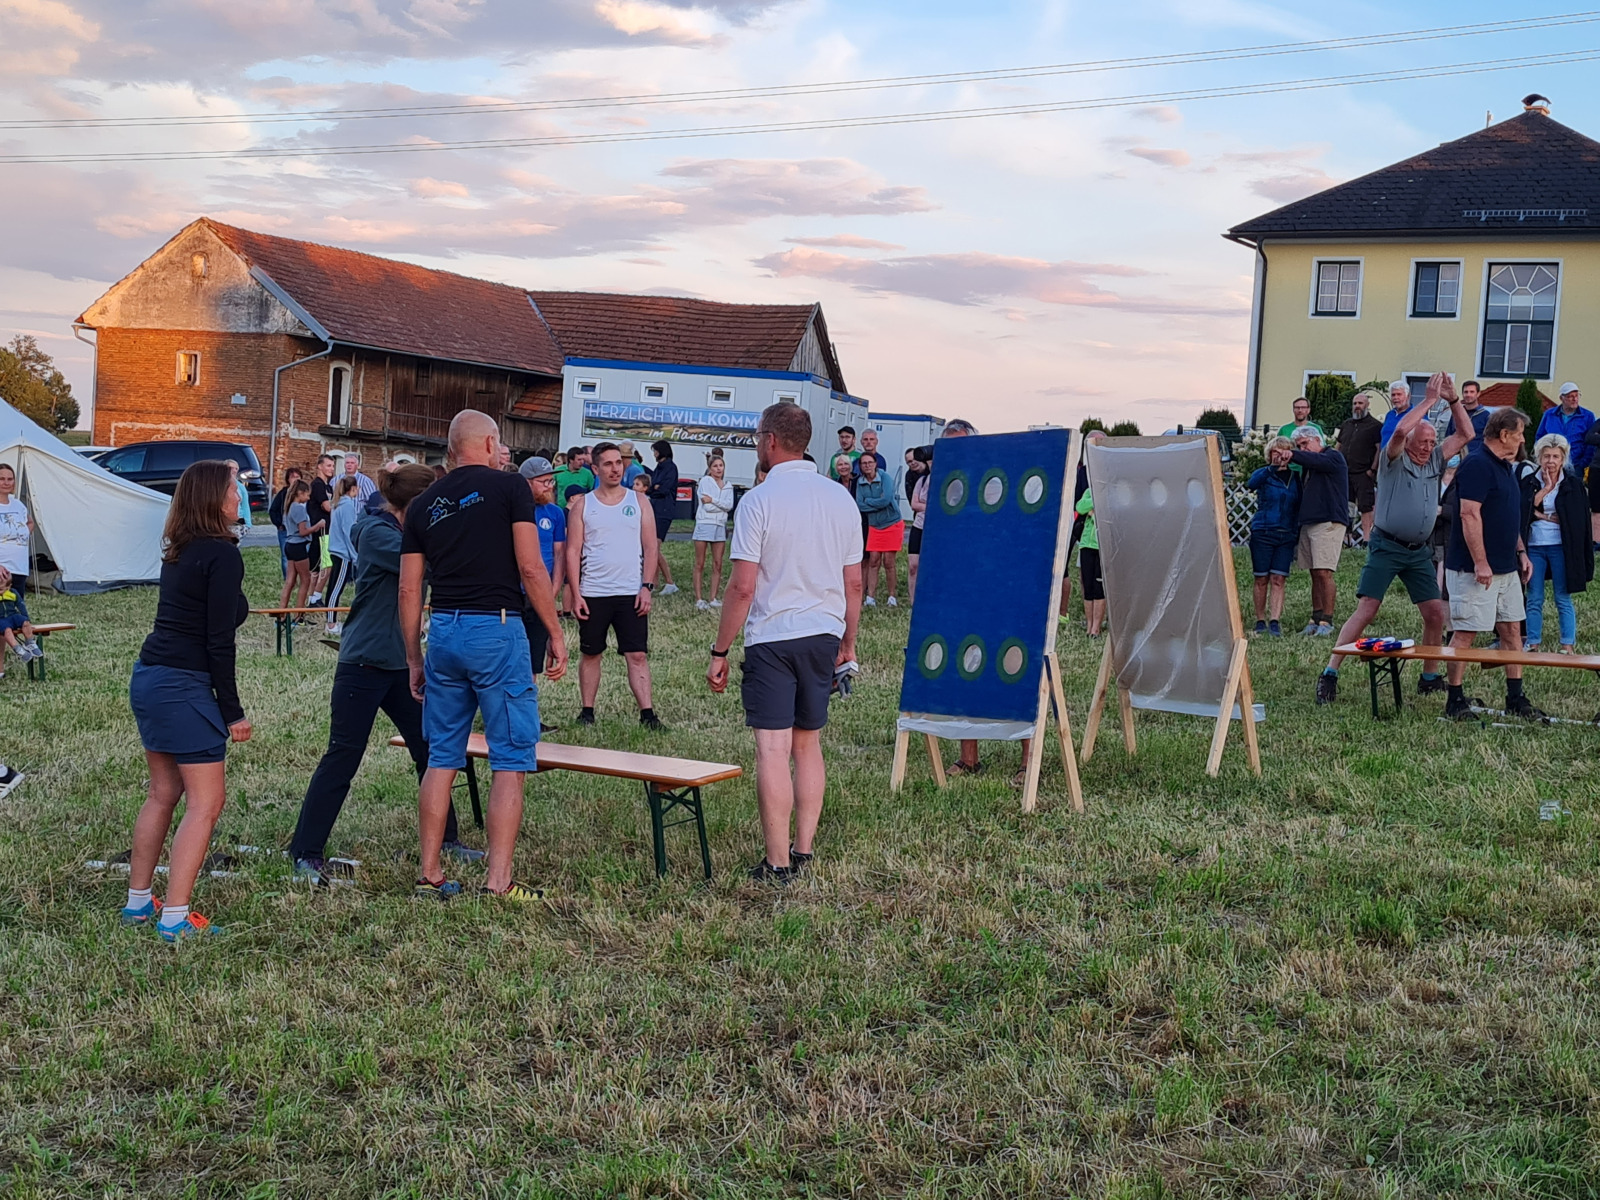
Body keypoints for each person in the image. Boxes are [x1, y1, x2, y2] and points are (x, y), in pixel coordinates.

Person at [400, 410, 568, 901]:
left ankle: (430, 873)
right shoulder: (510, 487)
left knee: (442, 756)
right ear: (491, 443)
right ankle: (498, 881)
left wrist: (414, 658)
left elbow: (408, 589)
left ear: (453, 449)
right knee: (510, 758)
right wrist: (555, 631)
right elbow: (531, 568)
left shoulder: (423, 504)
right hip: (496, 628)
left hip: (444, 630)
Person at [289, 465, 481, 885]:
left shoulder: (408, 531)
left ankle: (446, 840)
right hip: (363, 663)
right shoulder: (377, 534)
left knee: (431, 752)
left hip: (401, 665)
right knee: (343, 757)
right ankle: (305, 852)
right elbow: (426, 566)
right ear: (417, 503)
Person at [707, 402, 862, 882]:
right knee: (807, 746)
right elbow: (854, 583)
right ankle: (804, 849)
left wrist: (719, 650)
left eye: (759, 437)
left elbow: (742, 587)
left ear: (770, 440)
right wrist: (848, 641)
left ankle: (776, 862)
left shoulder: (758, 501)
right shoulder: (841, 498)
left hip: (773, 636)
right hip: (824, 631)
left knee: (773, 750)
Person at [121, 460, 251, 940]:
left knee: (162, 792)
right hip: (183, 685)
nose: (239, 498)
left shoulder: (180, 551)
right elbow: (220, 641)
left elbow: (218, 614)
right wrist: (232, 711)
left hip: (150, 676)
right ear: (215, 499)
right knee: (206, 802)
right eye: (234, 490)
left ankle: (138, 903)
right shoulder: (221, 555)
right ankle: (175, 918)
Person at [1316, 372, 1474, 705]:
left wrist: (1453, 400)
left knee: (1434, 613)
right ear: (1411, 442)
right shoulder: (1394, 458)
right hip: (1387, 545)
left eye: (1432, 442)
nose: (1429, 448)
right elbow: (1401, 430)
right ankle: (1330, 673)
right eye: (1424, 442)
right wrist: (1428, 401)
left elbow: (1466, 434)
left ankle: (1429, 677)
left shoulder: (1435, 459)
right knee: (1367, 609)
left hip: (1418, 551)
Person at [1442, 406, 1546, 723]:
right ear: (1504, 434)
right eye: (1519, 434)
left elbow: (1507, 515)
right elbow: (1468, 514)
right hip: (1474, 569)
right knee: (1466, 631)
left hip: (1506, 568)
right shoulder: (1477, 464)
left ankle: (1515, 697)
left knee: (1513, 630)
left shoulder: (1505, 466)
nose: (1522, 439)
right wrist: (1481, 562)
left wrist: (1521, 552)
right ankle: (1454, 699)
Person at [566, 442, 661, 728]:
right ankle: (587, 712)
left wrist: (646, 587)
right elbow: (573, 551)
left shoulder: (639, 501)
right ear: (595, 469)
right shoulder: (583, 505)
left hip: (630, 592)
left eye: (618, 462)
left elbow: (651, 548)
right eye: (607, 464)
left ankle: (647, 714)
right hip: (594, 592)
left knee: (637, 654)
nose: (615, 468)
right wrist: (576, 594)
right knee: (591, 652)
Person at [1523, 433, 1592, 653]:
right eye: (1546, 456)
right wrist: (1546, 489)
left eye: (1555, 457)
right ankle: (1532, 642)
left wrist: (1540, 514)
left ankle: (1567, 644)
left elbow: (1575, 519)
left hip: (1561, 546)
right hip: (1535, 545)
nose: (1551, 461)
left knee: (1562, 596)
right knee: (1534, 597)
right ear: (1539, 457)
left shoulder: (1572, 484)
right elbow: (1524, 511)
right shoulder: (1530, 481)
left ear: (1563, 459)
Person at [1288, 425, 1349, 635]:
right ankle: (1315, 618)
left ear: (1317, 440)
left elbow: (1317, 461)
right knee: (1314, 572)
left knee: (1324, 571)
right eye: (1299, 446)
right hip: (1310, 521)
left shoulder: (1333, 457)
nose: (1302, 449)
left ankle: (1327, 621)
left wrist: (1292, 454)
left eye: (1305, 444)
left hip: (1328, 521)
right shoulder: (1311, 465)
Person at [516, 456, 567, 691]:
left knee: (534, 658)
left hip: (541, 594)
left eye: (551, 482)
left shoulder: (555, 513)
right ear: (527, 483)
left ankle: (529, 706)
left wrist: (553, 590)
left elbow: (559, 554)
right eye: (544, 482)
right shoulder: (514, 510)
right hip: (514, 594)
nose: (549, 487)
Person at [1245, 436, 1300, 636]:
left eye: (1284, 451)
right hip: (1263, 531)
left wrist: (1296, 532)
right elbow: (1251, 484)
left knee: (1279, 578)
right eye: (1275, 452)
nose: (1280, 456)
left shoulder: (1296, 478)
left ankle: (1275, 621)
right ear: (1269, 454)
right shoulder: (1264, 474)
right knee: (1261, 578)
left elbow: (1299, 504)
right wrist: (1272, 468)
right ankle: (1260, 620)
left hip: (1286, 534)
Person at [854, 451, 902, 607]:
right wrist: (876, 502)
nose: (867, 465)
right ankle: (870, 598)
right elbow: (859, 504)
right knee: (873, 560)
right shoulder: (860, 482)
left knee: (889, 561)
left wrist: (868, 501)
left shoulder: (885, 478)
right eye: (864, 463)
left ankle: (892, 596)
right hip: (874, 525)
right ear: (860, 466)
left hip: (891, 522)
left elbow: (886, 500)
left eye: (870, 462)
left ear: (875, 464)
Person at [1335, 390, 1383, 545]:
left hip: (1364, 473)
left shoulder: (1375, 426)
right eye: (1355, 403)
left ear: (1367, 405)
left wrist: (1372, 470)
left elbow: (1379, 449)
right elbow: (1338, 446)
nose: (1357, 406)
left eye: (1360, 403)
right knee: (1346, 505)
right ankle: (1346, 537)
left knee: (1365, 506)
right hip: (1345, 472)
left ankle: (1366, 538)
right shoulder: (1346, 424)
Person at [693, 453, 734, 610]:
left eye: (721, 466)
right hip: (705, 523)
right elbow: (707, 507)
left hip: (720, 525)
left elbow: (729, 506)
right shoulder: (705, 482)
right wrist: (719, 504)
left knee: (718, 563)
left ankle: (713, 598)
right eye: (715, 466)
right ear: (710, 469)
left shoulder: (728, 485)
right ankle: (699, 598)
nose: (718, 469)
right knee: (700, 562)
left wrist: (714, 500)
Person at [324, 476, 360, 632]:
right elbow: (348, 532)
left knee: (333, 587)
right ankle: (331, 624)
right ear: (353, 489)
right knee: (336, 589)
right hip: (343, 552)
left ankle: (330, 621)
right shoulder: (347, 506)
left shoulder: (337, 504)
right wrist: (355, 555)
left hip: (336, 549)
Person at [1536, 383, 1594, 478]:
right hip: (1552, 465)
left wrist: (1583, 464)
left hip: (1576, 466)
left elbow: (1591, 443)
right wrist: (1542, 459)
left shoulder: (1588, 416)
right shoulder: (1549, 415)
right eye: (1570, 396)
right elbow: (1540, 438)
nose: (1575, 399)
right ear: (1561, 398)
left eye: (1577, 396)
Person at [646, 440, 680, 595]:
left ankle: (670, 582)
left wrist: (654, 489)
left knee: (654, 547)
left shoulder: (671, 468)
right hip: (654, 509)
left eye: (655, 451)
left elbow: (664, 489)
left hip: (664, 511)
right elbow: (651, 486)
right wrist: (653, 488)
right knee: (652, 547)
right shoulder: (658, 468)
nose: (654, 454)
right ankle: (654, 582)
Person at [278, 480, 317, 612]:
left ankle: (281, 612)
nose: (308, 498)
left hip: (289, 545)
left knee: (290, 581)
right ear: (300, 493)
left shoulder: (289, 507)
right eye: (307, 495)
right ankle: (299, 614)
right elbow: (303, 531)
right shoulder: (299, 508)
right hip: (298, 546)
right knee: (306, 580)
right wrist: (317, 526)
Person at [305, 453, 337, 605]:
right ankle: (315, 596)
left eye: (333, 466)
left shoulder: (328, 486)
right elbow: (327, 506)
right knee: (325, 565)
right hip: (321, 530)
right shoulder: (317, 485)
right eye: (328, 465)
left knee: (321, 565)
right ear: (320, 466)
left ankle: (313, 597)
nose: (332, 469)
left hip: (327, 529)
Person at [0, 464, 32, 596]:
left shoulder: (18, 505)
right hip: (2, 569)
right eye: (1, 479)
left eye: (10, 479)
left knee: (16, 605)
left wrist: (23, 533)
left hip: (19, 567)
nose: (6, 483)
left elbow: (30, 522)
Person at [1075, 485, 1103, 636]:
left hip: (1102, 546)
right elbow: (1080, 507)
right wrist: (1095, 501)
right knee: (1088, 586)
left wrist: (1092, 511)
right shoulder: (1090, 491)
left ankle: (1096, 628)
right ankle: (1089, 625)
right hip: (1086, 545)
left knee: (1099, 588)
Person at [906, 445, 932, 604]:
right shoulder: (921, 480)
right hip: (919, 525)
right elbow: (914, 504)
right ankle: (913, 601)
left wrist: (924, 505)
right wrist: (930, 506)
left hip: (934, 528)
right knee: (913, 565)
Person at [0, 566, 39, 667]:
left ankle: (30, 642)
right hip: (1, 619)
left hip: (12, 616)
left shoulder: (13, 593)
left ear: (8, 587)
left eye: (1, 589)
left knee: (24, 622)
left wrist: (26, 618)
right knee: (7, 630)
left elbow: (21, 605)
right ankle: (18, 649)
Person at [268, 466, 303, 577]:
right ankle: (288, 578)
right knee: (285, 555)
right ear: (288, 479)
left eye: (297, 477)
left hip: (300, 530)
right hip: (285, 530)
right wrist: (279, 523)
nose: (295, 479)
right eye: (293, 477)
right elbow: (273, 510)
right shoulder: (283, 494)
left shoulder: (304, 493)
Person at [1447, 380, 1492, 447]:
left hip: (1475, 452)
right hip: (1457, 452)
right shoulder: (1456, 414)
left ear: (1478, 394)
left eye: (1472, 392)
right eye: (1466, 392)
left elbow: (1490, 440)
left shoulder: (1486, 416)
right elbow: (1448, 437)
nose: (1468, 395)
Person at [1378, 381, 1413, 447]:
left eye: (1399, 394)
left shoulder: (1416, 414)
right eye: (1393, 395)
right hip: (1385, 453)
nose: (1396, 398)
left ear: (1408, 396)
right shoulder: (1390, 414)